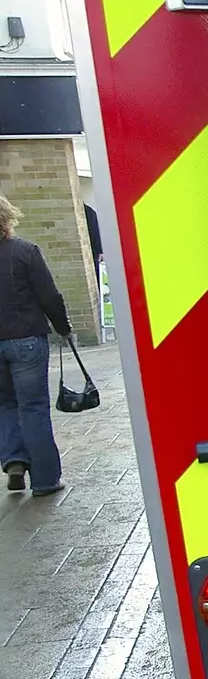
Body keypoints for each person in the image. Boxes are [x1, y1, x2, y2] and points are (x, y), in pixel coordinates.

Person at [0, 194, 70, 496]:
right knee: (33, 409)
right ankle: (45, 480)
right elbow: (49, 296)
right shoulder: (25, 251)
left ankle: (14, 460)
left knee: (4, 405)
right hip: (26, 340)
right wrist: (63, 328)